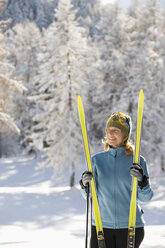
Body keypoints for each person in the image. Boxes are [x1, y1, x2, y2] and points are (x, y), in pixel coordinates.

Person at [80, 112, 153, 248]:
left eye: (115, 130)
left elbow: (146, 197)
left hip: (130, 226)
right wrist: (85, 185)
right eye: (108, 130)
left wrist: (142, 182)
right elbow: (88, 196)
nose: (110, 134)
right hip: (101, 226)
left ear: (125, 134)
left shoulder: (137, 160)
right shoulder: (96, 161)